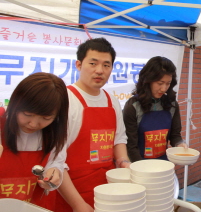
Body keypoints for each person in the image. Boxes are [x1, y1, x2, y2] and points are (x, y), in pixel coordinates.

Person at [54, 37, 131, 212]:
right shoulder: (65, 100)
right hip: (71, 195)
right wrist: (78, 204)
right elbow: (55, 158)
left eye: (106, 65)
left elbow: (119, 139)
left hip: (107, 192)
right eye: (93, 63)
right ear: (79, 65)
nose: (100, 71)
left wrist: (124, 162)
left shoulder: (111, 100)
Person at [0, 72, 68, 208]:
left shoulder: (55, 131)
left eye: (46, 118)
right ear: (15, 103)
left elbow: (57, 162)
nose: (33, 124)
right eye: (27, 114)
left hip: (36, 206)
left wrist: (54, 174)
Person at [123, 56, 187, 162]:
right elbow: (131, 146)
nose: (164, 88)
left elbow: (175, 135)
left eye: (168, 83)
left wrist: (180, 144)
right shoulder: (133, 106)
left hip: (163, 163)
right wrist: (142, 168)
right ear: (148, 81)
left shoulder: (172, 105)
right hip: (138, 163)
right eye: (160, 83)